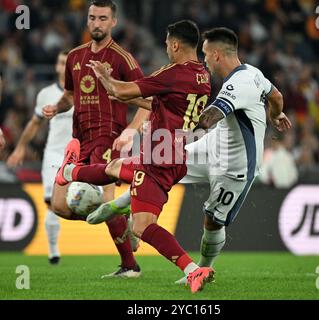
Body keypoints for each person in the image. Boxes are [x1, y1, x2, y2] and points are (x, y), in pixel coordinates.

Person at [69, 27, 292, 286]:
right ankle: (122, 205)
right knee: (161, 162)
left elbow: (209, 118)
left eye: (206, 54)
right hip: (211, 145)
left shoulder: (237, 84)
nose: (204, 59)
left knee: (212, 221)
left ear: (217, 54)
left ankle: (202, 268)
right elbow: (276, 96)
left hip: (235, 166)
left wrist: (173, 121)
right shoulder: (254, 73)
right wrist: (276, 114)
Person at [54, 20, 214, 293]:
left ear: (175, 44)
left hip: (157, 160)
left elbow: (120, 90)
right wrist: (126, 96)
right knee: (116, 166)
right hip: (174, 156)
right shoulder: (202, 74)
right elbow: (156, 101)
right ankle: (69, 173)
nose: (165, 49)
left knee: (142, 227)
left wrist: (105, 77)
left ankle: (192, 270)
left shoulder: (174, 73)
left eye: (166, 44)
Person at [42, 0, 150, 278]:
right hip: (80, 139)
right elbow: (69, 95)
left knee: (106, 200)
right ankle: (120, 221)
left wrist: (131, 130)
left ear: (114, 22)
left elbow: (147, 100)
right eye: (92, 18)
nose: (96, 23)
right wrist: (56, 107)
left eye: (103, 18)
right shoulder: (75, 57)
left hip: (109, 138)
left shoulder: (123, 58)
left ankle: (129, 266)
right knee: (60, 207)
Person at [6, 50, 72, 264]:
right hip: (53, 152)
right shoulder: (46, 94)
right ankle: (53, 250)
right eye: (61, 62)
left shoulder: (85, 90)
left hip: (81, 154)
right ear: (56, 66)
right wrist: (20, 147)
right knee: (52, 203)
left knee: (92, 199)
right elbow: (35, 122)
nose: (64, 66)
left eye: (68, 62)